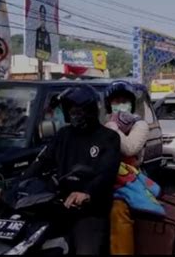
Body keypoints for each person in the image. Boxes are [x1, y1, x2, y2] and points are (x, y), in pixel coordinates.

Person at [9, 85, 121, 255]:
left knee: (86, 251)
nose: (73, 113)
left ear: (90, 110)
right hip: (58, 204)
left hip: (89, 210)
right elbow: (41, 162)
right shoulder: (63, 135)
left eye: (78, 109)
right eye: (70, 109)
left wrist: (87, 193)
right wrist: (14, 187)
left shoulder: (108, 137)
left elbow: (107, 172)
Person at [103, 81, 150, 255]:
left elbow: (130, 148)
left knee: (118, 210)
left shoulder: (139, 125)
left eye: (124, 100)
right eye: (116, 101)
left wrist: (114, 127)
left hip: (127, 182)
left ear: (131, 103)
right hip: (102, 178)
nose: (120, 105)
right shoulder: (104, 122)